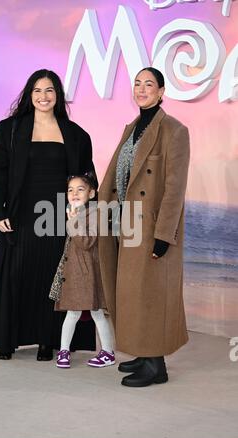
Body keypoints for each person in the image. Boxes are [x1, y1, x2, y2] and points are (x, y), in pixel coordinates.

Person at [0, 69, 97, 360]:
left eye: (49, 91)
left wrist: (82, 216)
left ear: (57, 96)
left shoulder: (76, 134)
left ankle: (48, 341)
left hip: (58, 217)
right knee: (15, 275)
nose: (43, 96)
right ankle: (7, 341)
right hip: (20, 215)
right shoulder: (9, 129)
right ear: (29, 95)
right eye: (37, 90)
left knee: (52, 278)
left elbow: (87, 178)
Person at [98, 67, 190, 387]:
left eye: (149, 84)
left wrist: (163, 235)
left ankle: (156, 366)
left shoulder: (174, 130)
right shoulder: (133, 128)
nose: (141, 88)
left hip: (150, 229)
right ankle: (142, 352)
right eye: (137, 83)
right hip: (125, 225)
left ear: (162, 91)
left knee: (150, 295)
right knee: (132, 295)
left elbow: (174, 188)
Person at [49, 173, 115, 369]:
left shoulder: (93, 214)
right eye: (70, 190)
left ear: (92, 193)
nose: (74, 193)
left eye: (80, 189)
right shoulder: (75, 212)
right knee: (74, 313)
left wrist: (72, 222)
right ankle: (64, 351)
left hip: (86, 274)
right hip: (74, 273)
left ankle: (107, 352)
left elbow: (86, 242)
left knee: (95, 313)